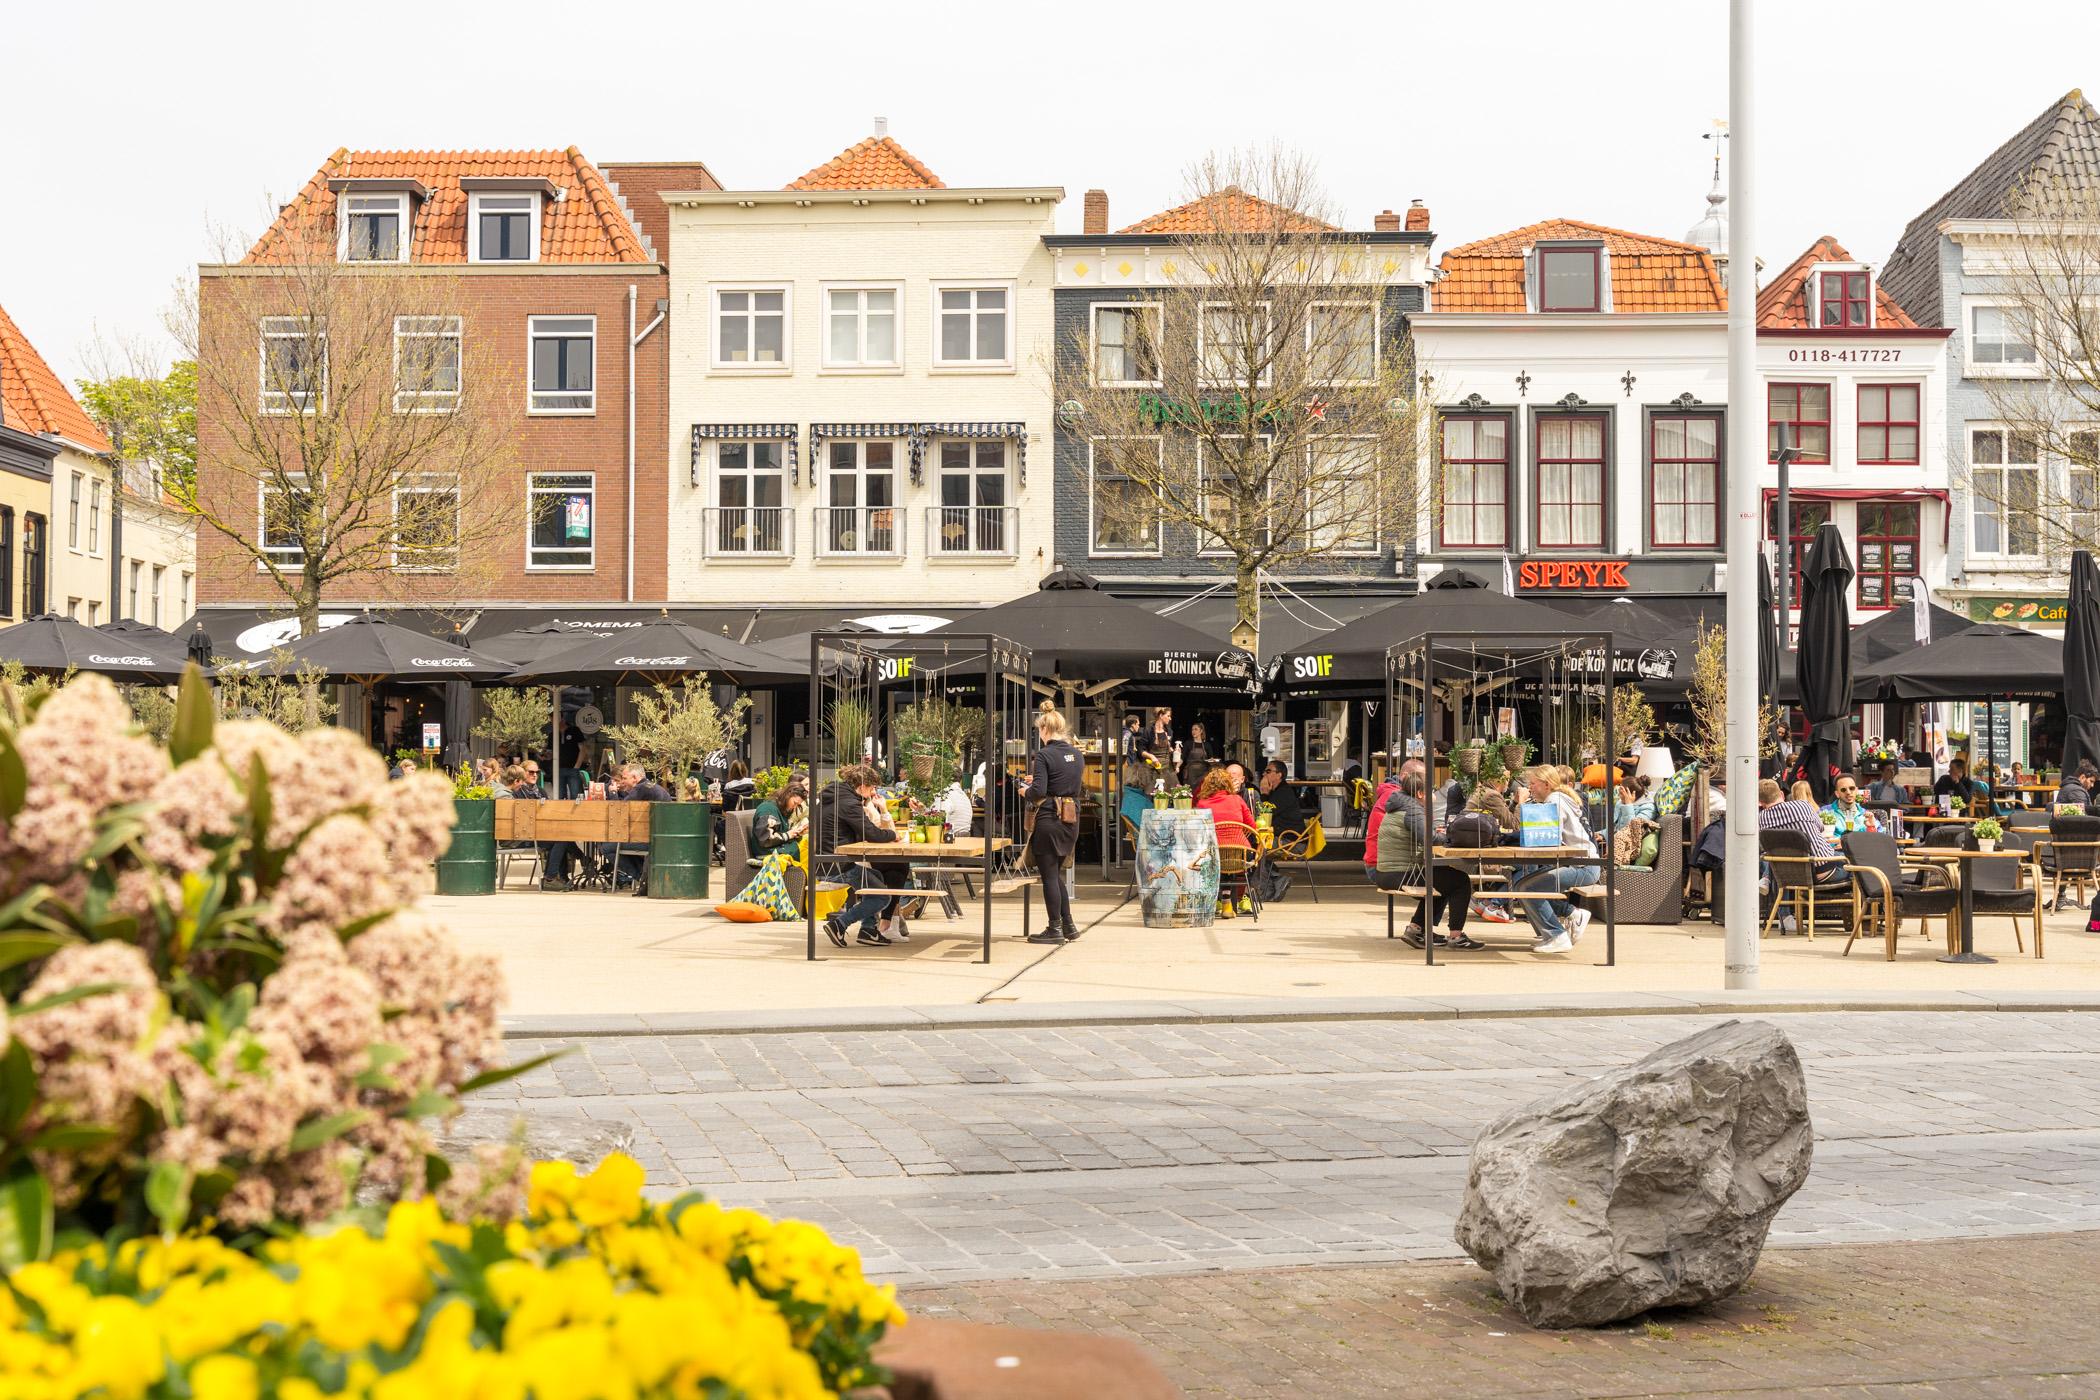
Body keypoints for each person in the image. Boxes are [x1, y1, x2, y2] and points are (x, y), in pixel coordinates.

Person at [1374, 771, 1480, 950]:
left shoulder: (1401, 805)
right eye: (1431, 791)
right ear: (1420, 794)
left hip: (1388, 872)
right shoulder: (1413, 810)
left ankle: (1416, 929)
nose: (1434, 795)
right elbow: (1430, 839)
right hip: (1398, 872)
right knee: (1460, 881)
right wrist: (1447, 835)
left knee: (1444, 879)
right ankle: (1456, 937)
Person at [1510, 766, 1599, 955]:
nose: (1530, 787)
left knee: (1528, 888)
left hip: (1584, 866)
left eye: (1533, 784)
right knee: (1522, 885)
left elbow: (1551, 838)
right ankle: (1565, 920)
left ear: (1546, 784)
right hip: (1581, 863)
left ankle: (1557, 936)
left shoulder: (1555, 801)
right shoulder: (1557, 798)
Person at [815, 764, 904, 948]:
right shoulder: (849, 803)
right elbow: (871, 833)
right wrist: (893, 835)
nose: (872, 793)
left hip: (826, 861)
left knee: (876, 879)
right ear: (862, 786)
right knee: (882, 896)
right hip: (836, 865)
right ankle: (839, 924)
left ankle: (868, 930)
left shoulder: (835, 797)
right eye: (871, 788)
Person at [1022, 702, 1085, 943]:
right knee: (1055, 874)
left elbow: (1038, 791)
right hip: (1071, 817)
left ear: (1045, 729)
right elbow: (1067, 782)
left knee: (1048, 875)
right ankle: (1068, 925)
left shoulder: (1045, 754)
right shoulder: (1076, 754)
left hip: (1049, 817)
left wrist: (1024, 791)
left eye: (1039, 731)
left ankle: (1054, 928)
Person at [1756, 776, 1846, 932]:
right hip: (1823, 871)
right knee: (1856, 863)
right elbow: (1821, 828)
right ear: (1782, 795)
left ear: (1760, 803)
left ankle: (1782, 912)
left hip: (1789, 875)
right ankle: (1867, 917)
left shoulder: (1760, 819)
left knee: (1779, 859)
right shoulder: (1803, 806)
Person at [1195, 767, 1259, 918]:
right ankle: (1233, 902)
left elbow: (1197, 831)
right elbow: (1253, 826)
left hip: (1213, 855)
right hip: (1241, 854)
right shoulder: (1237, 799)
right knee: (1237, 857)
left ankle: (1218, 902)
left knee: (1219, 855)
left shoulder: (1202, 804)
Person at [608, 764, 672, 891]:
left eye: (624, 778)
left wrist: (613, 792)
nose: (622, 780)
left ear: (635, 778)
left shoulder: (641, 789)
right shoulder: (651, 787)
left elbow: (619, 811)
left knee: (606, 847)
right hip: (662, 837)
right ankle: (645, 876)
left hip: (651, 840)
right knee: (622, 843)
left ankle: (643, 878)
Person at [752, 778, 810, 858]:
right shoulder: (768, 809)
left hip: (778, 848)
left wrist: (796, 833)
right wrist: (788, 835)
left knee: (808, 847)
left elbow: (781, 832)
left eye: (797, 805)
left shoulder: (780, 808)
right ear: (788, 794)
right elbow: (765, 839)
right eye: (794, 803)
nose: (794, 807)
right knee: (808, 853)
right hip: (767, 852)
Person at [1257, 760, 1307, 837]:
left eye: (1268, 771)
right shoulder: (1276, 791)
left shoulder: (1284, 792)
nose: (1264, 774)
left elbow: (1265, 814)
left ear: (1279, 775)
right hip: (1281, 836)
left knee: (1254, 843)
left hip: (1290, 841)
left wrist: (1264, 793)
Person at [1182, 721, 1213, 788]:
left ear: (1201, 731)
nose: (1193, 731)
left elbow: (1211, 759)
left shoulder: (1207, 745)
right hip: (1191, 772)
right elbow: (1182, 757)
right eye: (1192, 729)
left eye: (1196, 729)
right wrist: (1177, 767)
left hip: (1203, 772)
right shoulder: (1188, 743)